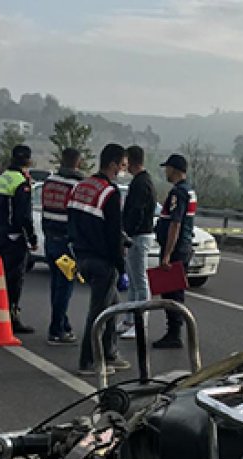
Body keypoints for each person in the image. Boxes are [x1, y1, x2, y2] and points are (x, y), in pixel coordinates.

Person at [68, 143, 130, 375]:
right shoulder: (109, 193)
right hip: (102, 261)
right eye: (122, 165)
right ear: (113, 164)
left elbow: (72, 222)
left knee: (113, 307)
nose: (123, 169)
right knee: (99, 314)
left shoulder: (81, 187)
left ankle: (109, 353)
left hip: (81, 256)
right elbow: (113, 233)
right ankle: (89, 361)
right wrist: (120, 264)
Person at [0, 145, 38, 334]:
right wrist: (31, 238)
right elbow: (23, 215)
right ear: (28, 161)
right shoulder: (20, 182)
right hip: (13, 237)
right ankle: (12, 318)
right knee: (14, 278)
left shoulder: (2, 178)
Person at [40, 148, 88, 344]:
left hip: (50, 238)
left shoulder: (50, 181)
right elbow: (79, 215)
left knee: (56, 285)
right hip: (67, 242)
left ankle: (63, 323)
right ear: (78, 163)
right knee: (65, 286)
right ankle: (57, 329)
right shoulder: (76, 185)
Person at [153, 153, 197, 349]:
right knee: (171, 292)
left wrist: (167, 254)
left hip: (177, 250)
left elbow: (175, 224)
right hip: (182, 247)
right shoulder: (188, 191)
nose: (166, 172)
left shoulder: (178, 193)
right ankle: (173, 332)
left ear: (175, 170)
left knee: (172, 294)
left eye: (168, 168)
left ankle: (174, 334)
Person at [120, 145, 157, 340]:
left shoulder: (141, 183)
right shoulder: (141, 181)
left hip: (139, 236)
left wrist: (127, 233)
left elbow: (137, 211)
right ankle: (129, 319)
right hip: (137, 235)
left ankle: (140, 323)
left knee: (140, 282)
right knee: (133, 282)